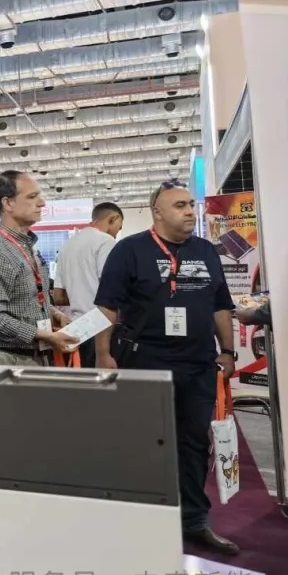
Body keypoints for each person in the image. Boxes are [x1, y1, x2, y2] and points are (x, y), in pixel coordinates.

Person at [94, 180, 238, 555]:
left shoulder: (206, 251)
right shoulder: (129, 250)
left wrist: (227, 350)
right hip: (145, 362)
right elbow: (107, 307)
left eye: (190, 204)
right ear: (157, 212)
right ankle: (143, 521)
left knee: (194, 444)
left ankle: (194, 520)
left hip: (197, 364)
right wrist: (103, 355)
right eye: (179, 206)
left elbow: (220, 304)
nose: (190, 211)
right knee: (144, 442)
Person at [0, 171, 77, 366]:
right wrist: (43, 335)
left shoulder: (27, 247)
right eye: (32, 197)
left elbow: (28, 299)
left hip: (32, 356)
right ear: (8, 203)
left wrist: (55, 314)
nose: (42, 203)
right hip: (4, 359)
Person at [53, 202, 124, 367]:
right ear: (113, 219)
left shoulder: (67, 245)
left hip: (76, 329)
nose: (117, 233)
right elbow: (111, 288)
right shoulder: (106, 241)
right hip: (102, 330)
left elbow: (58, 297)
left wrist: (80, 294)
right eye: (119, 228)